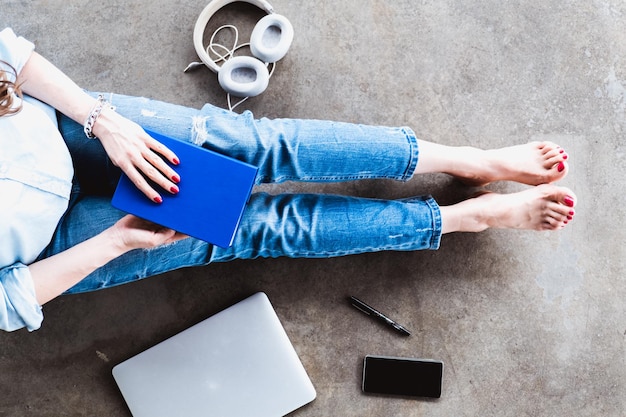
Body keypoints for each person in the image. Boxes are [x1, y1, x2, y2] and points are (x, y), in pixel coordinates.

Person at [0, 27, 576, 332]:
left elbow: (9, 54)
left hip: (67, 126)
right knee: (254, 229)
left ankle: (465, 160)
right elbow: (9, 301)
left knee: (258, 146)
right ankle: (461, 218)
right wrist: (113, 243)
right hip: (57, 247)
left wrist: (103, 121)